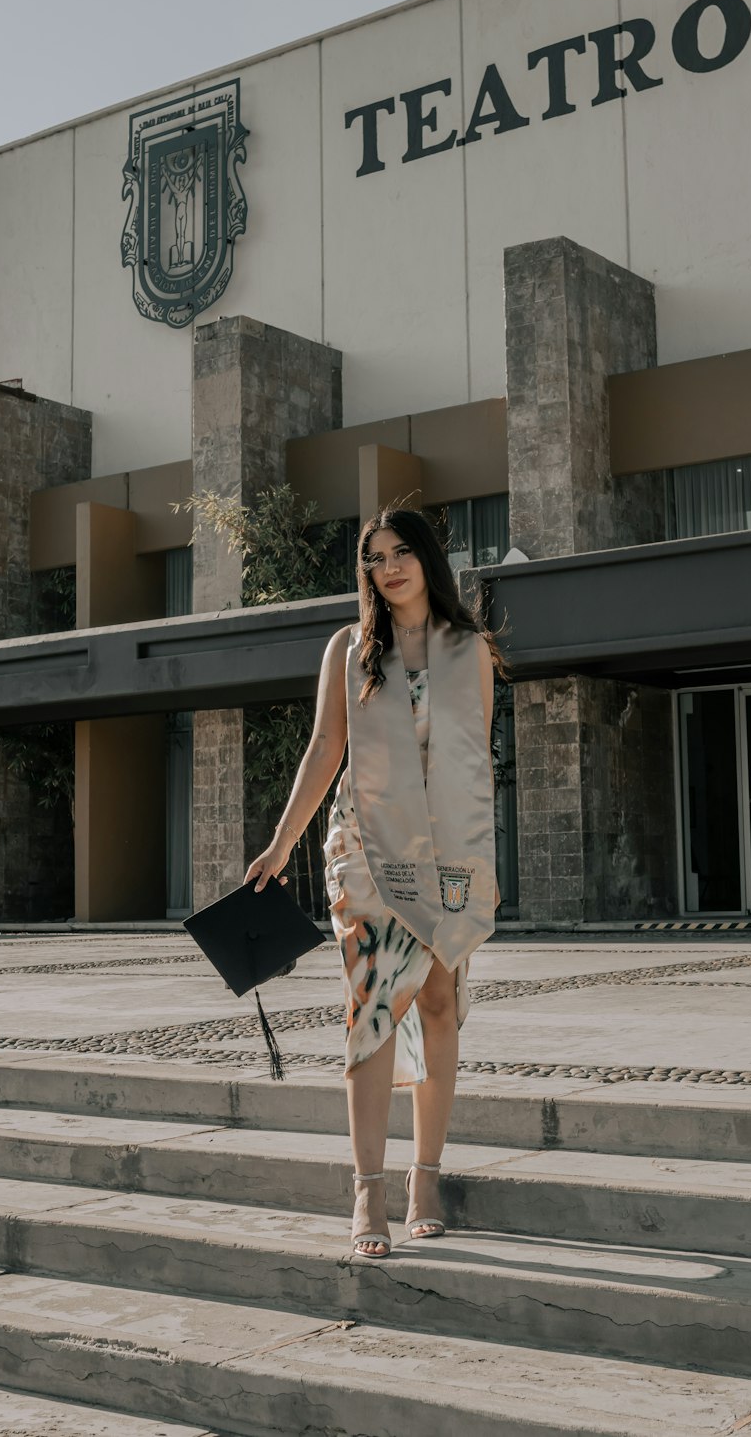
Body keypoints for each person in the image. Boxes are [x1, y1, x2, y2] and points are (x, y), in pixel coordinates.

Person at [244, 506, 503, 1258]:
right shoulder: (352, 649)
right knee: (372, 1008)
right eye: (374, 558)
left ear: (427, 559)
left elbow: (475, 765)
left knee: (441, 1001)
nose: (388, 568)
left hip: (447, 858)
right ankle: (369, 1194)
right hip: (365, 852)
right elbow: (326, 747)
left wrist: (475, 868)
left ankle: (427, 1176)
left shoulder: (469, 650)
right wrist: (279, 844)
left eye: (400, 553)